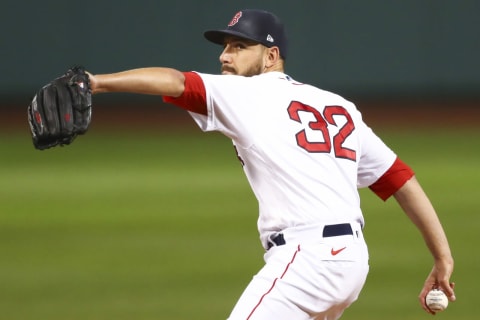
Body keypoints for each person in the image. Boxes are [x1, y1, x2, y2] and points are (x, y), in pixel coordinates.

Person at [87, 8, 455, 320]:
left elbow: (176, 82)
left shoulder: (248, 93)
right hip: (352, 262)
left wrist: (96, 83)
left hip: (308, 260)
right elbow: (400, 180)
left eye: (239, 46)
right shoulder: (338, 106)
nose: (224, 56)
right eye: (225, 47)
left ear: (270, 56)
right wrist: (442, 259)